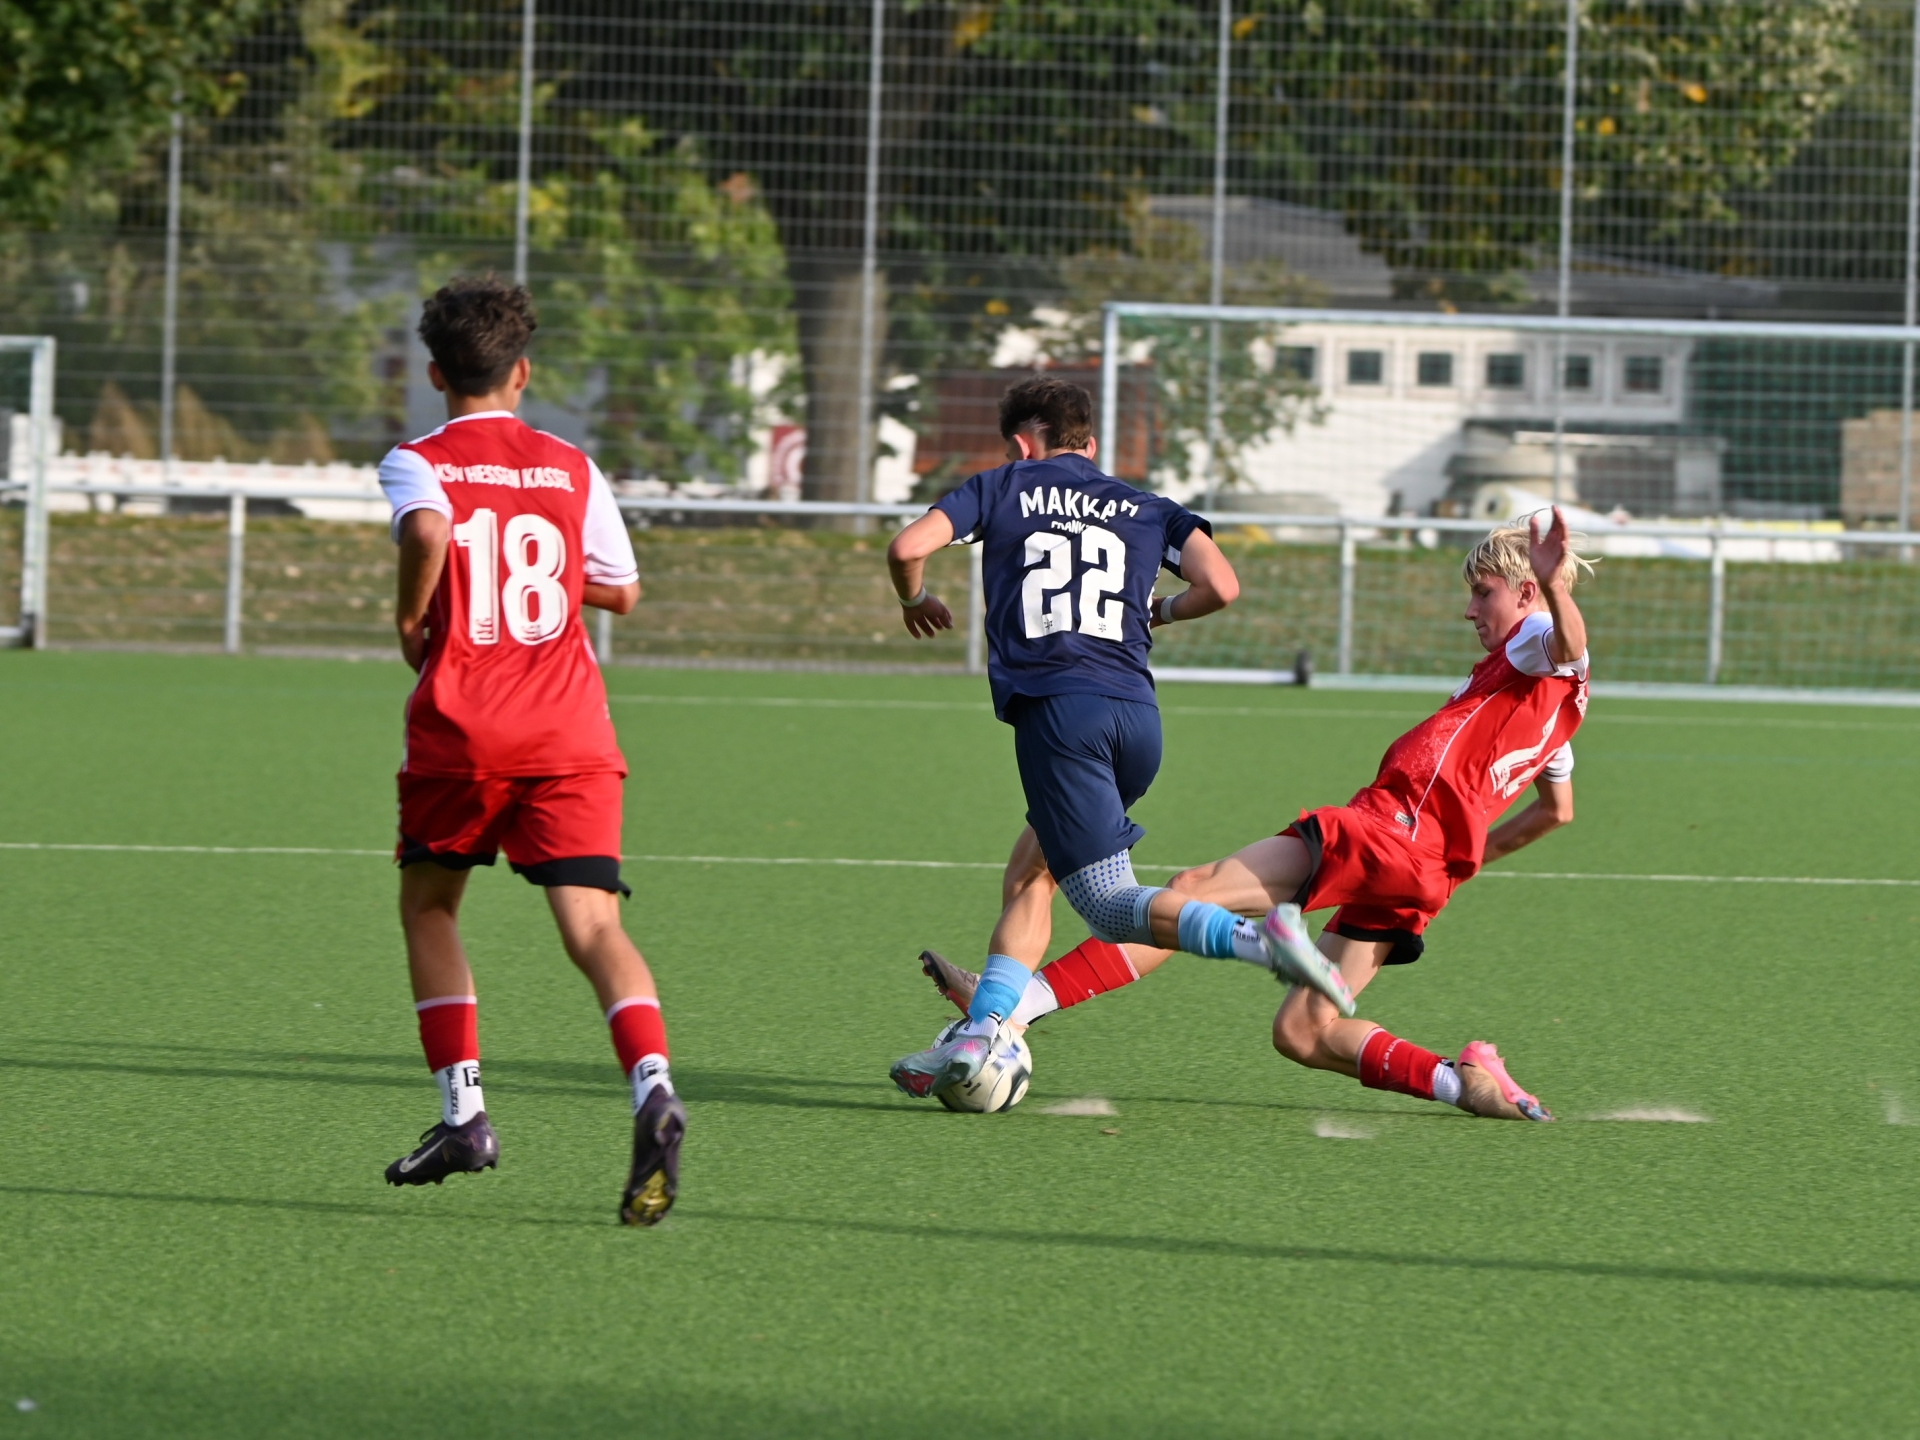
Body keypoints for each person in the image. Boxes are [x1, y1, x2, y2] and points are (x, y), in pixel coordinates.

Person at [920, 509, 1593, 1122]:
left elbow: (1566, 648)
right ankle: (1461, 1081)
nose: (1470, 608)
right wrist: (1458, 860)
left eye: (1483, 593)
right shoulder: (1543, 711)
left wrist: (1555, 589)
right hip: (1422, 872)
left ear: (1525, 592)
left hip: (1381, 833)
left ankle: (1013, 1008)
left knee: (1188, 894)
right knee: (1302, 1032)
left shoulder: (1535, 640)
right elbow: (1555, 812)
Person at [884, 375, 1354, 1101]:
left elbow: (907, 546)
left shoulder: (1003, 486)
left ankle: (1259, 941)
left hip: (1059, 716)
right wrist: (1159, 612)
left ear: (1021, 444)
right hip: (1136, 719)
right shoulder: (1146, 506)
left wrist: (915, 597)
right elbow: (1222, 586)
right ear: (1091, 442)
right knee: (1032, 874)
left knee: (1107, 902)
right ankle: (986, 1027)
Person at [375, 275, 685, 1225]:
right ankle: (654, 1088)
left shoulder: (417, 460)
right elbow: (622, 589)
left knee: (430, 905)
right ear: (523, 372)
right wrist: (535, 558)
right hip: (571, 731)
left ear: (435, 373)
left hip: (465, 728)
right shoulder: (569, 466)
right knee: (595, 930)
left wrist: (414, 612)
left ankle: (464, 1116)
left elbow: (431, 528)